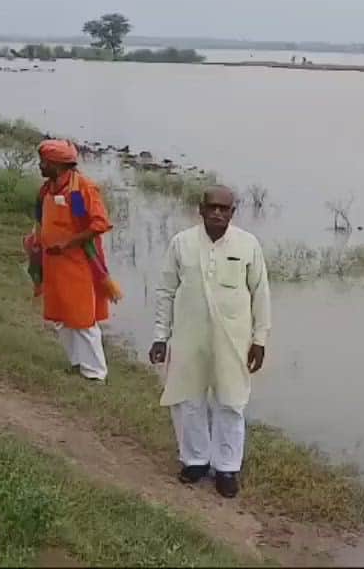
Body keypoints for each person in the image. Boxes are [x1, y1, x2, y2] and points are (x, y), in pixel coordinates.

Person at [150, 185, 271, 498]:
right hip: (189, 336)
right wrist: (160, 336)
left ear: (233, 213)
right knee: (187, 400)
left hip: (234, 339)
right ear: (200, 209)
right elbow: (165, 291)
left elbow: (260, 293)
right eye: (212, 207)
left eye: (224, 208)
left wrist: (259, 339)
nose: (218, 213)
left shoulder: (248, 244)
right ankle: (195, 460)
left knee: (231, 401)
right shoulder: (182, 243)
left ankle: (227, 468)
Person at [29, 139, 117, 381]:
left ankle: (96, 373)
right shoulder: (48, 189)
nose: (40, 166)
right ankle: (77, 363)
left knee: (83, 319)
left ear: (57, 165)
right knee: (61, 318)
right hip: (53, 265)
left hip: (77, 265)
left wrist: (67, 243)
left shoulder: (80, 191)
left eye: (44, 162)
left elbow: (98, 224)